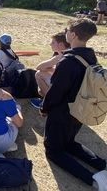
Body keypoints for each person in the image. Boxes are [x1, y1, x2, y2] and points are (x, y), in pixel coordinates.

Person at [40, 19, 107, 190]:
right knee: (69, 142)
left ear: (74, 34)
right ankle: (102, 165)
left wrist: (45, 107)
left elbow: (56, 91)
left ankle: (93, 179)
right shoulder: (91, 56)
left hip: (63, 111)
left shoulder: (68, 60)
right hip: (81, 108)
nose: (66, 32)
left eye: (68, 30)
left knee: (53, 150)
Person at [30, 32, 70, 109]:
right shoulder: (70, 53)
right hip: (69, 90)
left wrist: (50, 67)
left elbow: (39, 67)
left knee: (39, 74)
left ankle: (49, 102)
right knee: (41, 89)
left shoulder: (60, 57)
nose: (50, 44)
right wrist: (52, 68)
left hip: (62, 89)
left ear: (61, 45)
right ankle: (49, 99)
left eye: (53, 42)